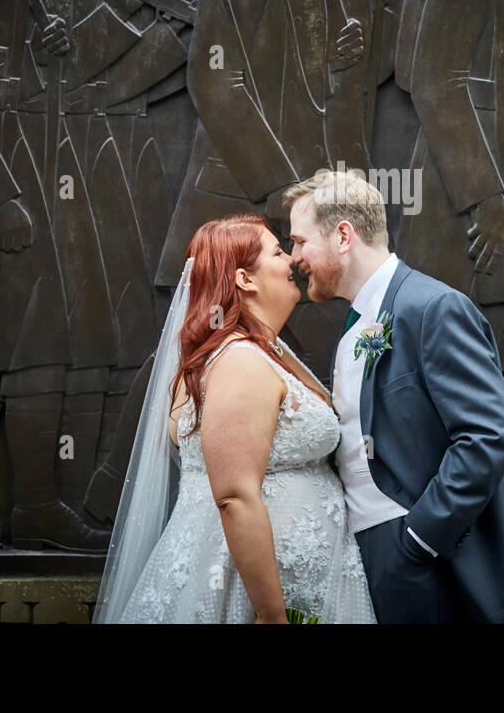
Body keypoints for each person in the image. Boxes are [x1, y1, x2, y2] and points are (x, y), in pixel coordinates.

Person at [94, 213, 376, 623]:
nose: (292, 261)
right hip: (247, 593)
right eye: (278, 252)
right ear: (245, 279)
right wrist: (270, 614)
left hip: (312, 581)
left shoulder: (265, 349)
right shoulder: (239, 360)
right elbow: (235, 495)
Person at [285, 170, 504, 622]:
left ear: (342, 236)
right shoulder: (355, 327)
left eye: (299, 241)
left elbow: (492, 435)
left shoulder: (432, 308)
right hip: (362, 557)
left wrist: (419, 537)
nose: (295, 257)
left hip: (420, 556)